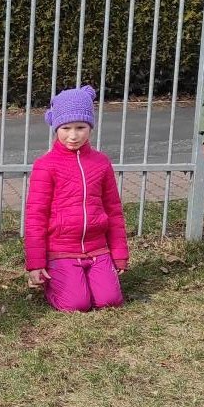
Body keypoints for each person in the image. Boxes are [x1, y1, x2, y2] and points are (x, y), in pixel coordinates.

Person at [25, 85, 129, 311]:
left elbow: (113, 210)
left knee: (110, 300)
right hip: (61, 249)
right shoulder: (45, 165)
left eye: (80, 127)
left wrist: (119, 254)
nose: (73, 135)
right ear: (56, 127)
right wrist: (36, 263)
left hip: (97, 248)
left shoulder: (101, 163)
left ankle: (94, 277)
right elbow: (36, 217)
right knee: (77, 304)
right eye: (66, 128)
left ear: (90, 127)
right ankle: (54, 284)